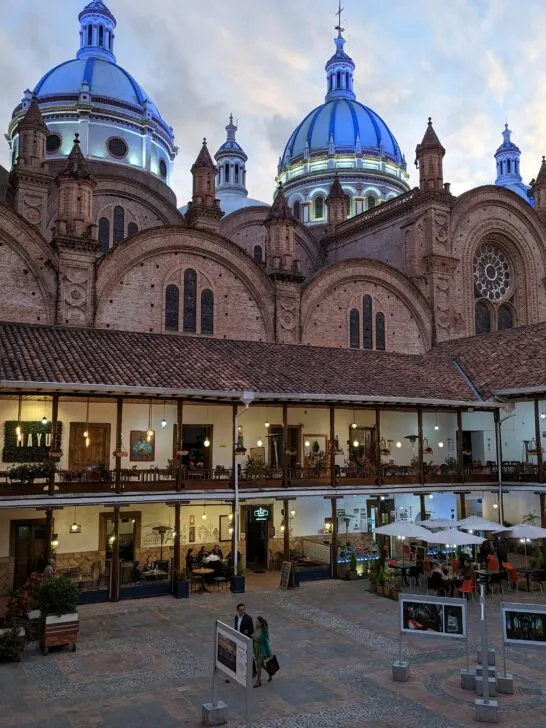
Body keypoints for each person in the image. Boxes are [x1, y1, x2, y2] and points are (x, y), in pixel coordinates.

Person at [253, 616, 273, 687]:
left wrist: (268, 654)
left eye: (257, 622)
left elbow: (267, 643)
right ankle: (270, 672)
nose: (256, 623)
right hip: (256, 649)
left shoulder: (264, 632)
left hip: (261, 651)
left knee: (258, 666)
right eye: (256, 622)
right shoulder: (256, 629)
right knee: (261, 665)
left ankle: (258, 682)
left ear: (261, 623)